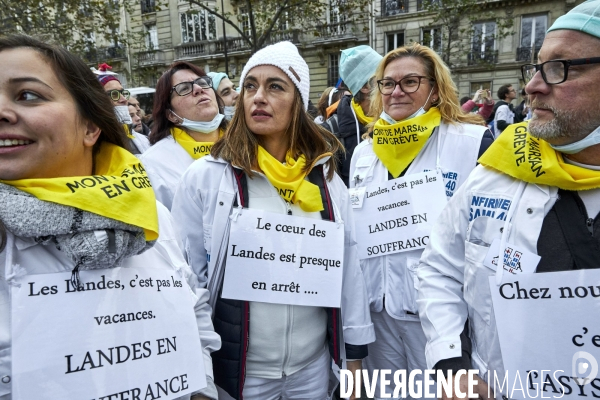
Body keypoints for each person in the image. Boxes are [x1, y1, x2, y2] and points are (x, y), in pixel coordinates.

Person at [0, 35, 219, 400]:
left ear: (90, 126)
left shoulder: (148, 211)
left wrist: (200, 388)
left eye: (27, 95)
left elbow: (192, 308)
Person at [170, 41, 374, 400]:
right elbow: (186, 280)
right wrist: (198, 375)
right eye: (250, 86)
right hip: (240, 376)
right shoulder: (206, 177)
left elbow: (349, 267)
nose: (257, 97)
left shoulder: (323, 177)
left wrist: (354, 358)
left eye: (275, 87)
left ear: (298, 101)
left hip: (311, 370)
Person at [417, 1, 600, 399]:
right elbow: (439, 267)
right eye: (536, 67)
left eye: (560, 68)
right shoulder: (499, 169)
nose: (533, 86)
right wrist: (451, 364)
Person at [349, 43, 493, 399]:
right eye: (387, 83)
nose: (396, 91)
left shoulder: (471, 141)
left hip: (440, 318)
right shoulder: (364, 151)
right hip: (378, 311)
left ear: (433, 88)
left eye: (410, 82)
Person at [140, 61, 227, 210]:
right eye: (184, 88)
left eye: (203, 83)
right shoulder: (153, 164)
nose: (199, 89)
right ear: (171, 115)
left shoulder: (247, 142)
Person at [321, 45, 383, 187]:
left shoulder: (394, 120)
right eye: (382, 77)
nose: (390, 82)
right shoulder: (330, 132)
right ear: (365, 87)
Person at [97, 67, 150, 154]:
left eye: (122, 93)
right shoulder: (95, 142)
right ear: (99, 100)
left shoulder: (143, 139)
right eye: (113, 94)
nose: (124, 99)